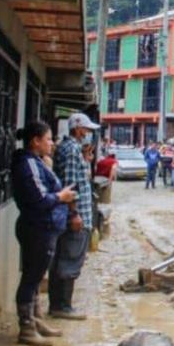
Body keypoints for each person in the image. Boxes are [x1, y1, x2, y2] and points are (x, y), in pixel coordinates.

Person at [11, 120, 77, 346]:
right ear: (35, 141)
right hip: (38, 228)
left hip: (43, 228)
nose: (52, 143)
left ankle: (35, 319)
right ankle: (27, 329)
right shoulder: (28, 164)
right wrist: (61, 197)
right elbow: (39, 200)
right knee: (31, 278)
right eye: (48, 139)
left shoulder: (36, 162)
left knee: (35, 277)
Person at [51, 113, 99, 320]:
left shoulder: (73, 150)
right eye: (86, 130)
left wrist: (86, 160)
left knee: (66, 259)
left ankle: (59, 304)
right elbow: (70, 184)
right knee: (70, 259)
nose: (88, 134)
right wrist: (74, 214)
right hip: (76, 218)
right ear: (77, 128)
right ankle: (62, 306)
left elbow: (80, 178)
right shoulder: (71, 151)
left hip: (76, 215)